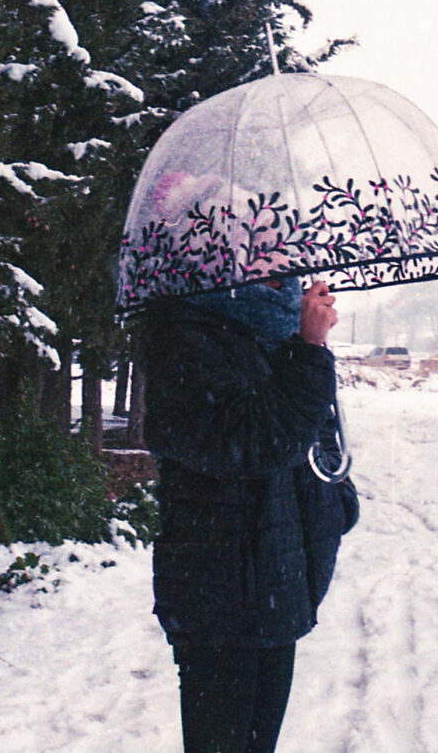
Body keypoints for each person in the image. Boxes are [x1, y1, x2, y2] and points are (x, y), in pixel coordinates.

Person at [141, 275, 359, 753]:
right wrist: (309, 349)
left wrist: (334, 502)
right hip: (218, 595)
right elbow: (257, 441)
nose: (285, 260)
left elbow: (315, 437)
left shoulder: (273, 332)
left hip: (280, 582)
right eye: (268, 246)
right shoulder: (186, 332)